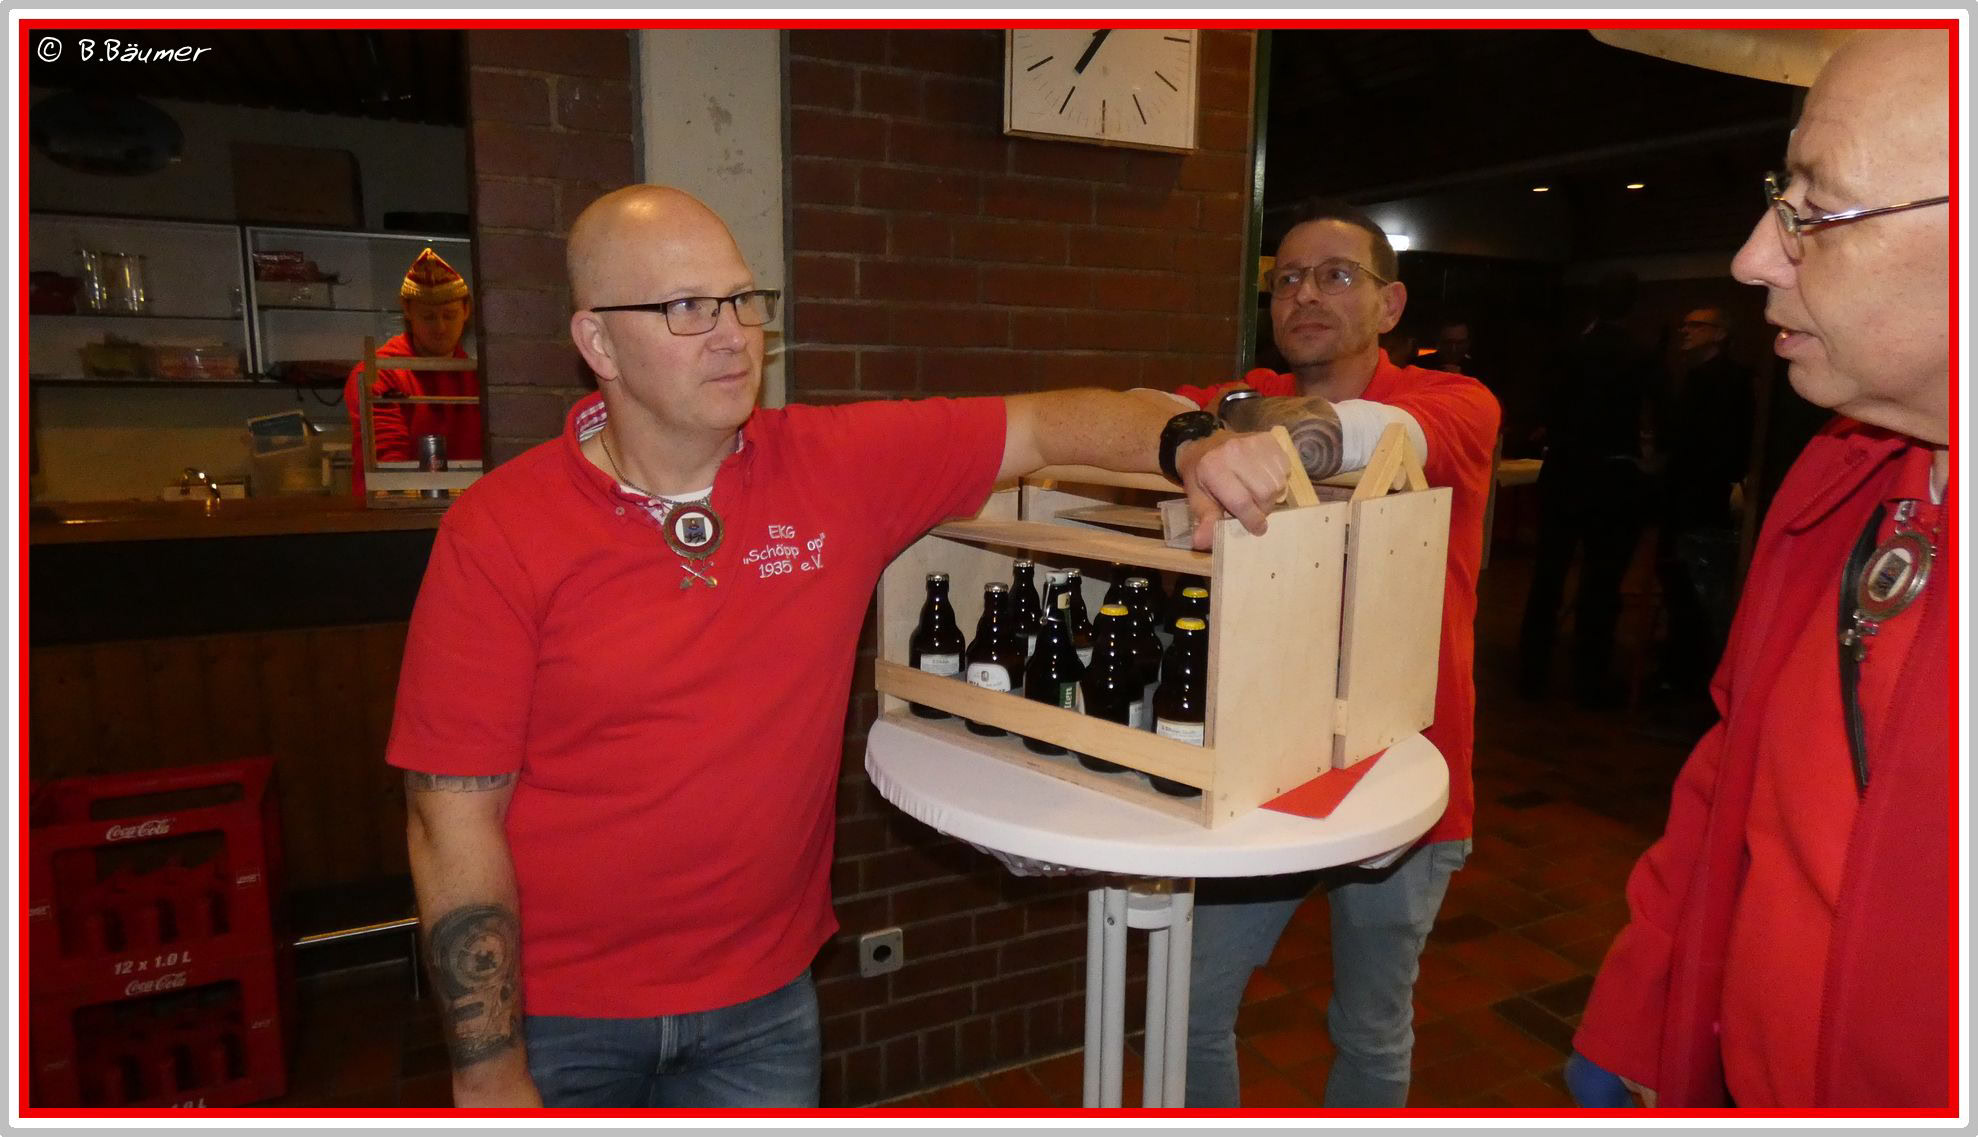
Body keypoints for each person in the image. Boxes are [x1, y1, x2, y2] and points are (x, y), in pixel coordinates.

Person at [387, 184, 1288, 1109]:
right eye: (687, 307)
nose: (734, 335)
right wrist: (487, 1067)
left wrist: (1192, 443)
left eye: (743, 300)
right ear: (599, 343)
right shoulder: (498, 529)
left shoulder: (834, 466)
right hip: (561, 1022)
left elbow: (1045, 421)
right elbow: (450, 816)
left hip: (764, 1005)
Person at [1572, 29, 1951, 1108]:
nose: (1751, 259)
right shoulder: (1840, 475)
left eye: (1813, 210)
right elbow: (1732, 776)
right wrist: (1642, 1017)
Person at [1156, 200, 1500, 1107]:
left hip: (1409, 763)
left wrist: (1224, 424)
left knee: (1370, 1026)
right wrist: (1203, 422)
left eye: (1337, 275)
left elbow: (1357, 439)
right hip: (1271, 762)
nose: (1305, 294)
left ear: (1391, 304)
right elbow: (1151, 416)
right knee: (1188, 1006)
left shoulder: (1455, 402)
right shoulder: (1244, 388)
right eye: (1288, 280)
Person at [1517, 270, 1657, 707]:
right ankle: (1589, 677)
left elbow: (1544, 407)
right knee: (1602, 579)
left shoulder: (1570, 349)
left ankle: (1532, 671)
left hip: (1565, 470)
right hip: (1612, 476)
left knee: (1548, 574)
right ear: (1632, 307)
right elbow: (1657, 416)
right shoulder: (1641, 355)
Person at [1648, 307, 1754, 706]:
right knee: (1680, 583)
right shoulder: (1699, 377)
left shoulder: (1726, 381)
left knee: (1691, 586)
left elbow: (1718, 443)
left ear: (1720, 334)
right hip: (1689, 493)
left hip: (1699, 496)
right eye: (1685, 324)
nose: (1686, 331)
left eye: (1696, 325)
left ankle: (1686, 676)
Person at [344, 247, 483, 495]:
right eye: (428, 317)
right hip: (399, 511)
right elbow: (388, 466)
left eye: (449, 315)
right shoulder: (381, 374)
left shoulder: (479, 376)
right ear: (407, 311)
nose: (440, 327)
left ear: (466, 311)